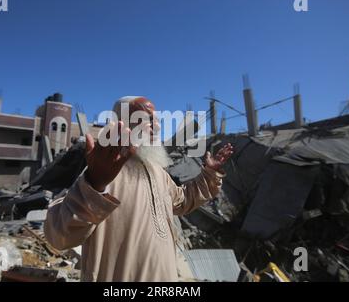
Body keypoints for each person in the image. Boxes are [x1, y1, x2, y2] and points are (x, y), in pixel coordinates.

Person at [44, 96, 234, 281]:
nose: (157, 126)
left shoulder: (157, 172)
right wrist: (94, 184)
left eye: (157, 121)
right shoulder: (103, 173)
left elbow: (182, 200)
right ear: (124, 123)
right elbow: (60, 236)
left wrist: (209, 173)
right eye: (147, 120)